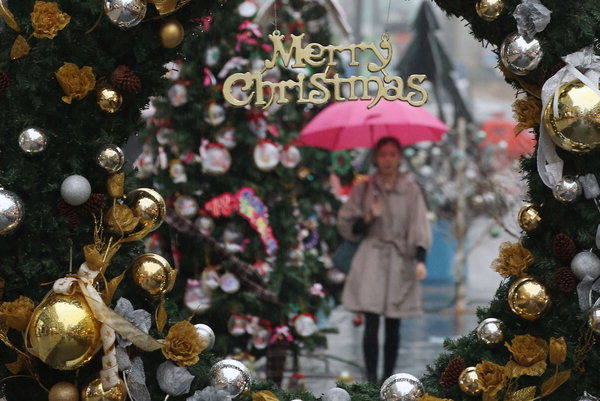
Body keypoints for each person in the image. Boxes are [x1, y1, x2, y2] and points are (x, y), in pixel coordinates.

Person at [337, 136, 431, 383]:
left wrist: (420, 259)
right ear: (376, 158)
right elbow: (346, 224)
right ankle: (370, 380)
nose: (388, 160)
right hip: (370, 258)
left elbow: (418, 225)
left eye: (392, 154)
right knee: (371, 320)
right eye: (382, 154)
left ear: (399, 157)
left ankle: (387, 379)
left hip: (399, 260)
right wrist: (368, 216)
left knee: (393, 323)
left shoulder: (411, 189)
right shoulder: (365, 187)